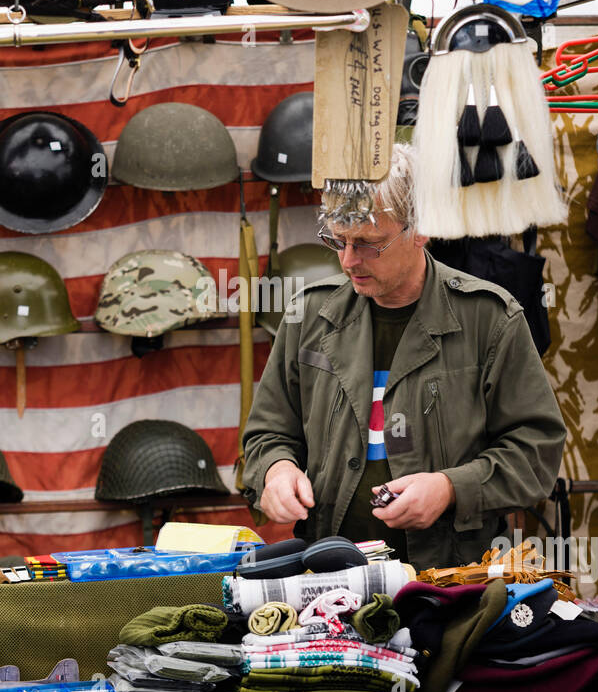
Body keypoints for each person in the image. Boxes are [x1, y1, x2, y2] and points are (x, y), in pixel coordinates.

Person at [241, 144, 566, 569]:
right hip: (329, 573)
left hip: (452, 580)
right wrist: (276, 471)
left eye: (369, 244)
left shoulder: (488, 319)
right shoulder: (310, 318)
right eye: (338, 241)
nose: (348, 260)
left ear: (421, 229)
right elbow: (267, 433)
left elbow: (536, 452)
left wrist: (451, 488)